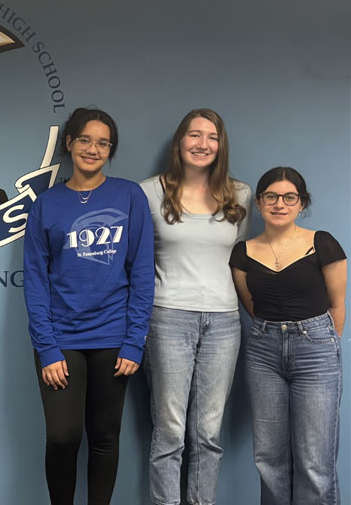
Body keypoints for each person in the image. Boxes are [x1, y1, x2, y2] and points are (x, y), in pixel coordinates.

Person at [23, 107, 154, 505]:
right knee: (63, 436)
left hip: (114, 338)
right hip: (60, 339)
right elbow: (34, 279)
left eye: (102, 143)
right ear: (69, 143)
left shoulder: (130, 196)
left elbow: (143, 273)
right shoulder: (47, 204)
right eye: (85, 140)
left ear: (110, 150)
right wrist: (47, 348)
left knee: (104, 437)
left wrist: (134, 342)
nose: (93, 149)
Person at [139, 109, 252, 505]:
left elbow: (238, 257)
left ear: (221, 146)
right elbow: (136, 262)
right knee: (169, 431)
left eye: (212, 137)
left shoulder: (240, 194)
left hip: (224, 321)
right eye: (194, 135)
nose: (202, 144)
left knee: (208, 433)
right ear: (179, 142)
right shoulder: (149, 192)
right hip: (167, 317)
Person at [230, 167, 345, 505]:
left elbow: (337, 306)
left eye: (289, 197)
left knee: (315, 460)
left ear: (301, 203)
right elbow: (252, 306)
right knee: (269, 458)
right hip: (263, 352)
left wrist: (319, 342)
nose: (280, 204)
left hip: (316, 350)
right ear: (260, 202)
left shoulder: (322, 243)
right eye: (271, 197)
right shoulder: (242, 254)